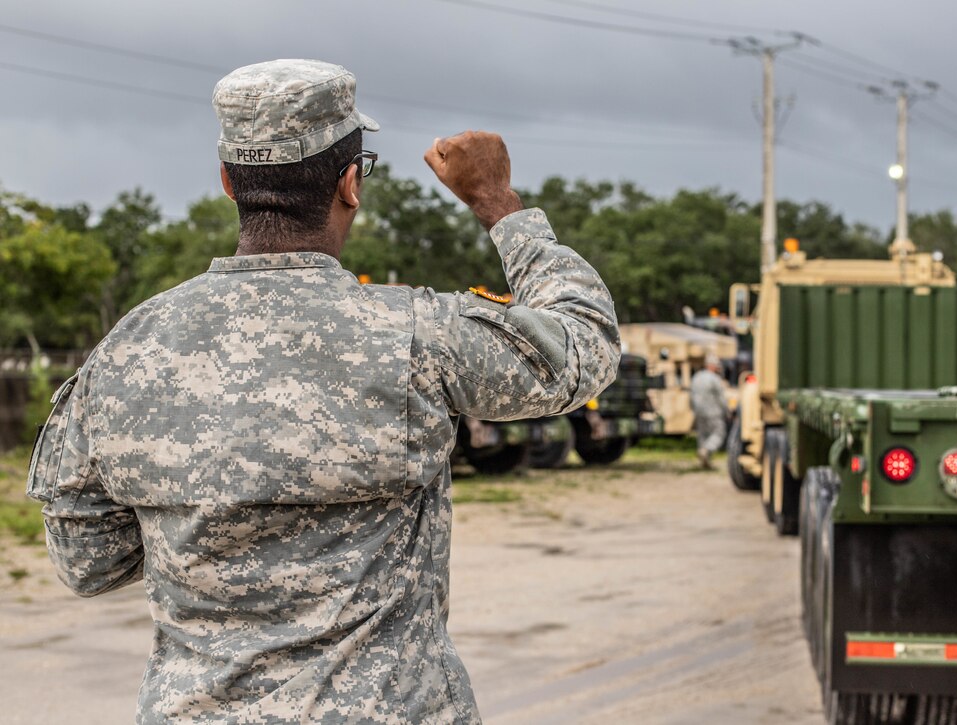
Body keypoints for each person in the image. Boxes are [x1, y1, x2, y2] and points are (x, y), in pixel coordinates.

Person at [26, 59, 619, 723]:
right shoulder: (419, 334)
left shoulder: (128, 351)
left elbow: (88, 560)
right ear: (350, 182)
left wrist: (211, 518)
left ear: (228, 182)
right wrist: (499, 205)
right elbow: (583, 348)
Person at [690, 356, 729, 469]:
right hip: (713, 412)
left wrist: (693, 409)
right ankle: (706, 450)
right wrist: (726, 411)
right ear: (712, 366)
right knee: (719, 433)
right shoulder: (714, 379)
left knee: (703, 435)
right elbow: (721, 398)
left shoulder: (696, 377)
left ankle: (705, 462)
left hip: (699, 411)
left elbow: (691, 395)